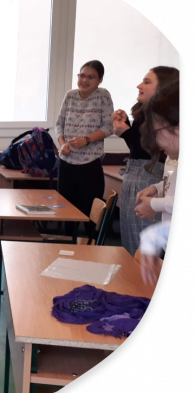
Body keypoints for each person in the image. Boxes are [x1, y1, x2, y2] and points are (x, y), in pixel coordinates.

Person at [111, 66, 180, 254]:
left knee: (143, 248)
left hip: (146, 175)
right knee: (132, 244)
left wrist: (127, 133)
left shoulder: (169, 142)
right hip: (142, 179)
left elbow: (149, 151)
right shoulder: (147, 116)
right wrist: (157, 188)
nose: (139, 85)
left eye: (147, 82)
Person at [55, 60, 115, 238]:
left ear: (100, 80)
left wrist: (86, 140)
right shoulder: (70, 95)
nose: (85, 80)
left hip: (90, 162)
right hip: (67, 162)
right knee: (66, 209)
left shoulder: (103, 96)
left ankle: (91, 246)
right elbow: (59, 124)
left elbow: (109, 127)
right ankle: (67, 243)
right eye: (82, 75)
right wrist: (62, 144)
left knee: (90, 211)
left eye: (91, 77)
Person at [135, 80, 179, 259]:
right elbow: (171, 180)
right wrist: (158, 188)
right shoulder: (173, 156)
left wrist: (154, 204)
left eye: (156, 132)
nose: (157, 143)